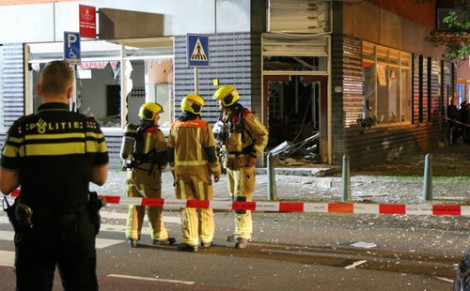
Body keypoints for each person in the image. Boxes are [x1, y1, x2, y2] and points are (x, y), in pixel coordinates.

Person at [0, 60, 109, 290]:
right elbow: (100, 178)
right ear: (70, 92)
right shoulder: (89, 128)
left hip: (33, 227)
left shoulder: (21, 129)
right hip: (77, 225)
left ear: (39, 90)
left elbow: (5, 184)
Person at [213, 85, 268, 249]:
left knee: (242, 199)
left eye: (220, 101)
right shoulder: (225, 116)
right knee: (235, 198)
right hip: (230, 163)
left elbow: (262, 135)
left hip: (243, 162)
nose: (218, 104)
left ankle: (242, 235)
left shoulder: (245, 116)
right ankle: (241, 230)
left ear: (228, 99)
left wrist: (254, 155)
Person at [167, 94, 221, 252]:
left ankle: (191, 241)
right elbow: (211, 151)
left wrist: (173, 171)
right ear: (197, 108)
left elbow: (170, 153)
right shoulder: (203, 126)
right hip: (201, 173)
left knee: (186, 206)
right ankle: (206, 239)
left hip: (181, 173)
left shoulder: (174, 127)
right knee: (204, 205)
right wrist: (216, 170)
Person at [122, 102, 175, 247]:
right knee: (154, 206)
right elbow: (162, 156)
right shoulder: (154, 133)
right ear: (150, 115)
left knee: (134, 205)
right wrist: (160, 169)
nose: (158, 117)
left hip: (131, 174)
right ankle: (159, 237)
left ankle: (132, 237)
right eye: (157, 114)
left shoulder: (134, 130)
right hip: (148, 175)